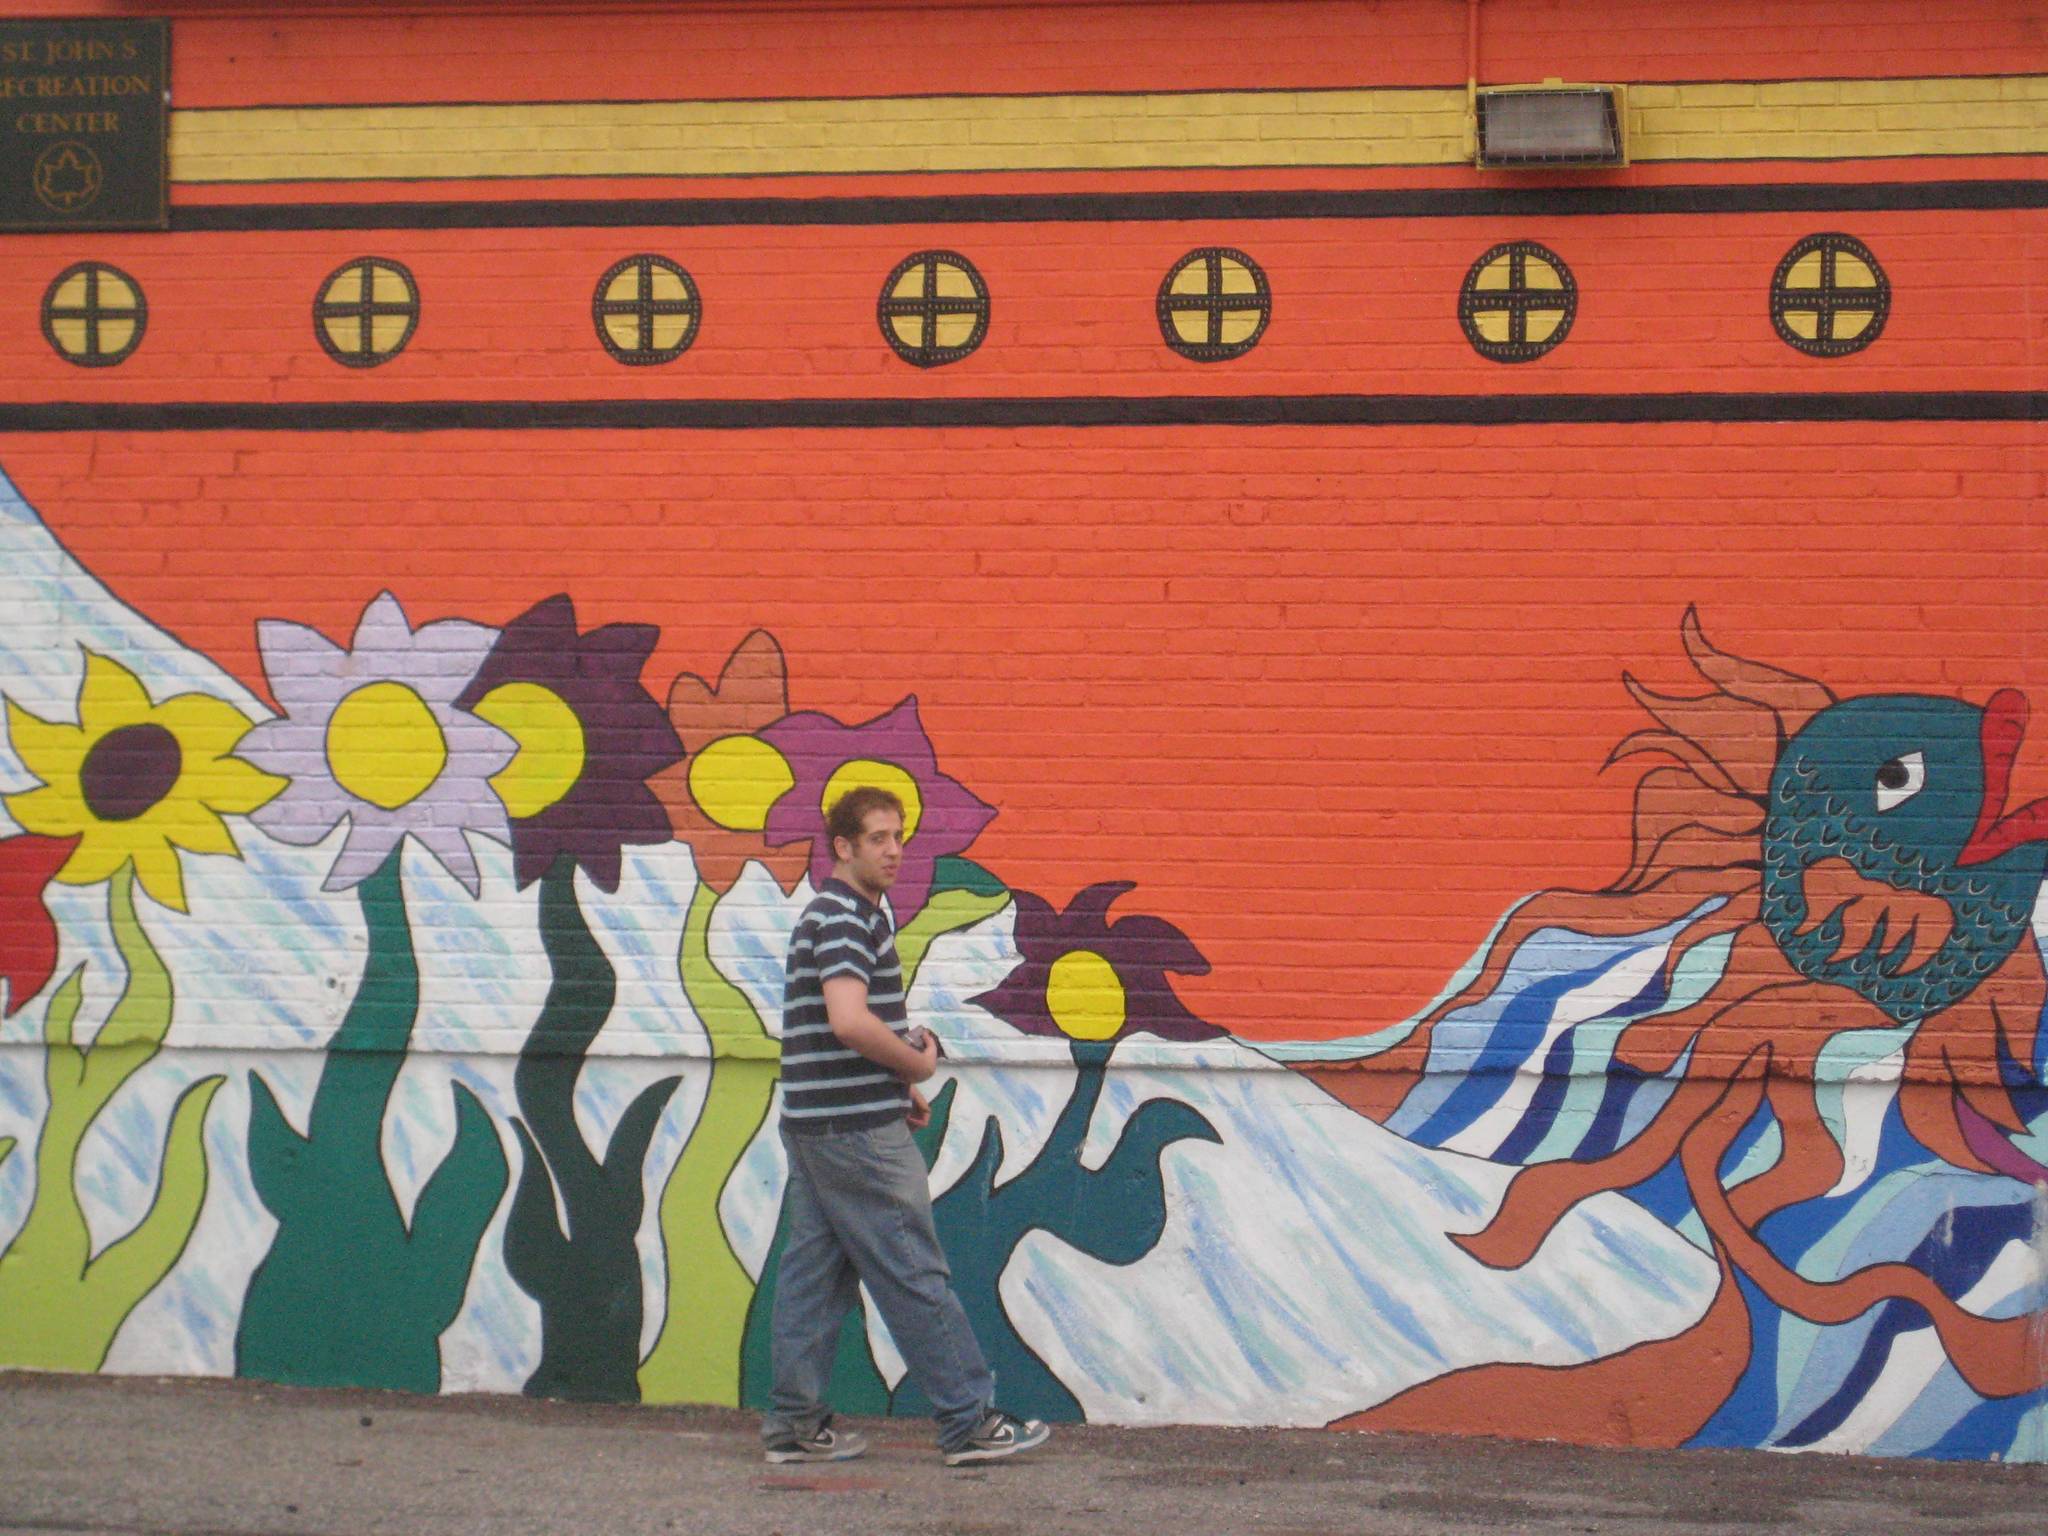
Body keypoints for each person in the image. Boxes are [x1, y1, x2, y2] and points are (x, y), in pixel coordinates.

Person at [760, 784, 1051, 1468]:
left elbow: (851, 1028)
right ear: (843, 847)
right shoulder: (843, 917)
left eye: (899, 837)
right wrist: (914, 1071)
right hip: (855, 1134)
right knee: (913, 1269)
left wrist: (892, 1081)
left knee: (814, 1277)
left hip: (822, 1120)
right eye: (879, 839)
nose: (894, 851)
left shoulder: (847, 913)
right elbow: (848, 1019)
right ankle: (967, 1421)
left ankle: (795, 1426)